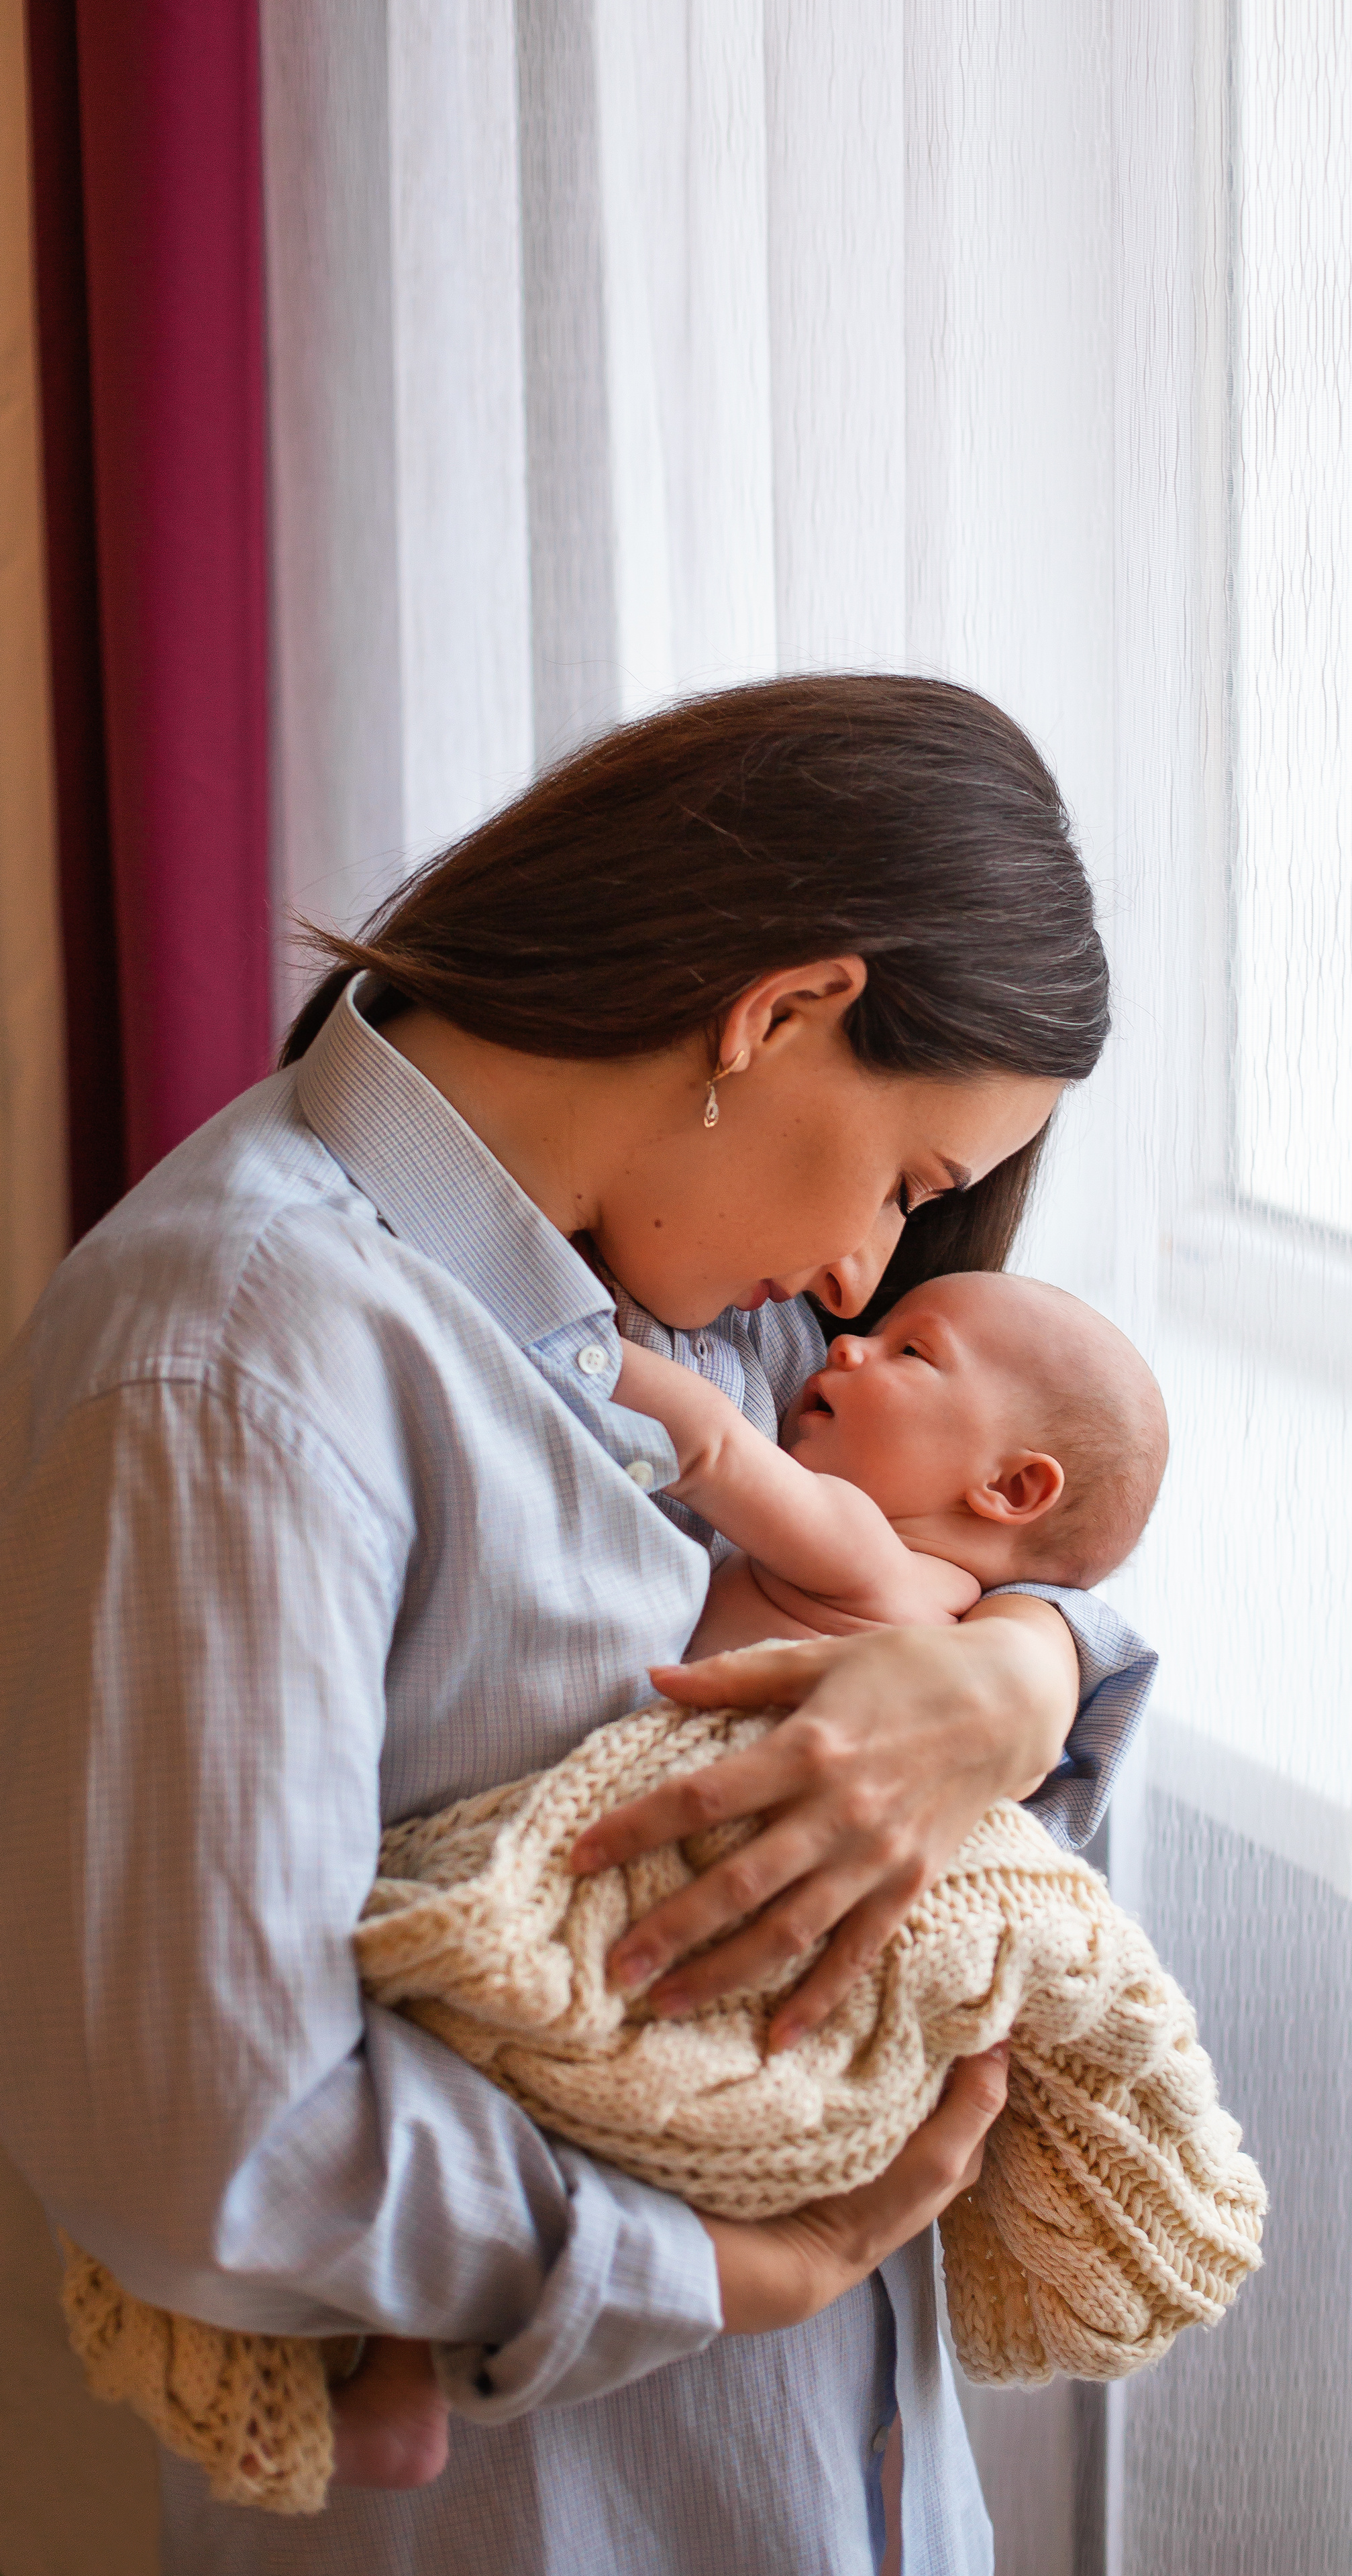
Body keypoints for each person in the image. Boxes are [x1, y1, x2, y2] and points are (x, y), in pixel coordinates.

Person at [0, 675, 1157, 2576]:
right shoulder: (236, 1363)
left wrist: (1015, 1672)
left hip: (862, 2499)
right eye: (906, 1183)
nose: (874, 1271)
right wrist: (725, 2273)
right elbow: (196, 2136)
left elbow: (1024, 1516)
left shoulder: (744, 1312)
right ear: (781, 1010)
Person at [325, 1267, 1169, 2488]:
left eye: (911, 1352)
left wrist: (573, 1351)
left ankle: (404, 2367)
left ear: (1009, 1486)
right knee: (508, 2101)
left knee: (460, 2042)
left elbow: (714, 1444)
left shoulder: (877, 1562)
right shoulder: (969, 1621)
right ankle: (410, 2371)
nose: (850, 1348)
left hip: (688, 1885)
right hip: (740, 1911)